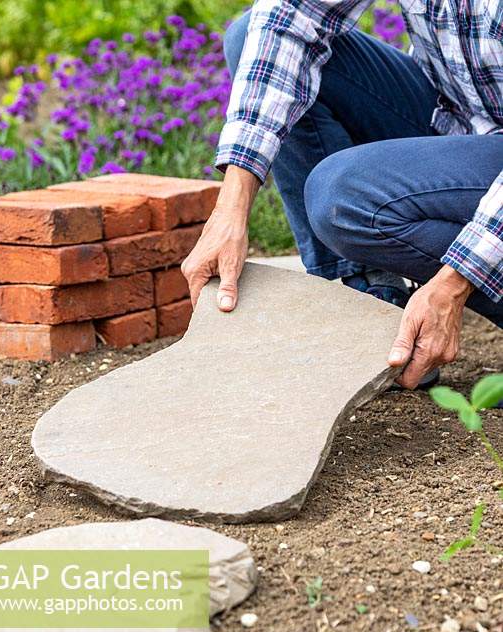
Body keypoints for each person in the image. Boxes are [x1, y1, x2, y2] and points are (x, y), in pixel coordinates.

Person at [181, 0, 502, 390]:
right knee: (251, 35)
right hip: (458, 119)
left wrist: (454, 280)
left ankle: (414, 320)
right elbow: (290, 16)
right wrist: (231, 207)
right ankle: (369, 301)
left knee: (343, 197)